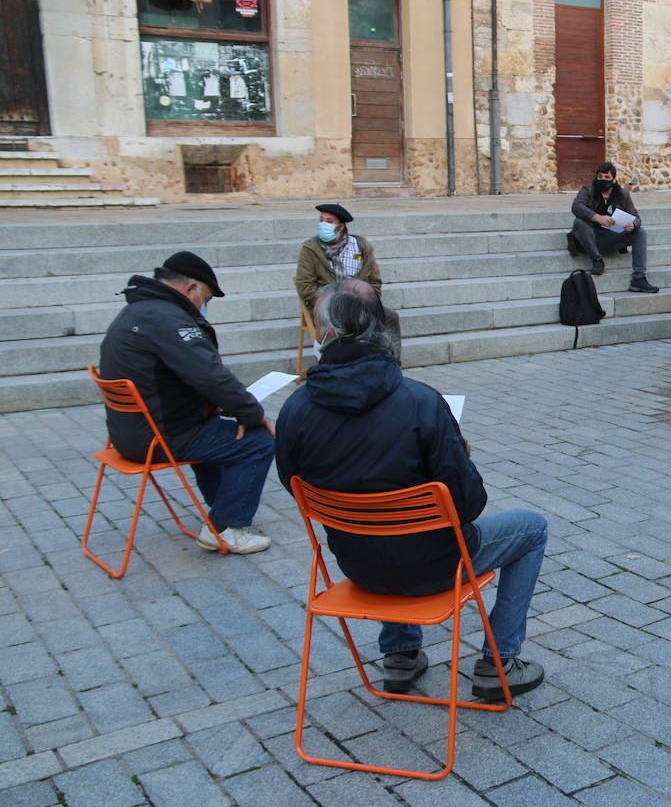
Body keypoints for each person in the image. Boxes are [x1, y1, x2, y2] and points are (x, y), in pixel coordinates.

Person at [274, 278, 547, 698]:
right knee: (532, 528)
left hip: (358, 564)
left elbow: (296, 488)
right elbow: (469, 504)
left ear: (324, 334)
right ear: (379, 329)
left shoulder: (295, 408)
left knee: (383, 518)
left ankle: (400, 655)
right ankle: (500, 662)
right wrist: (460, 455)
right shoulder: (420, 402)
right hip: (435, 568)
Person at [98, 251, 275, 554]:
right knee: (258, 440)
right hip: (159, 436)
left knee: (215, 429)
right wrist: (250, 413)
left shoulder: (137, 311)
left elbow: (180, 377)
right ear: (191, 288)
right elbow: (209, 375)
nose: (203, 307)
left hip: (127, 433)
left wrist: (222, 405)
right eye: (205, 299)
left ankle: (220, 508)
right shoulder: (167, 318)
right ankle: (224, 528)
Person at [296, 203, 402, 357]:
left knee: (390, 316)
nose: (323, 225)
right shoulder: (310, 248)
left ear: (341, 226)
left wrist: (365, 301)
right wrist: (331, 303)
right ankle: (339, 365)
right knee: (345, 325)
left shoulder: (361, 246)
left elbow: (375, 281)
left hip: (360, 304)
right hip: (330, 307)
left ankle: (392, 363)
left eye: (329, 221)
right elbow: (305, 286)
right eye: (321, 220)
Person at [570, 162, 659, 293]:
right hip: (590, 238)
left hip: (611, 238)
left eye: (607, 177)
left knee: (640, 232)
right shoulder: (588, 190)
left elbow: (636, 218)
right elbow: (576, 207)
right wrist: (597, 217)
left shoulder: (622, 194)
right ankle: (597, 260)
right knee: (578, 223)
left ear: (614, 179)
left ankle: (639, 279)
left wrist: (633, 225)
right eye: (600, 177)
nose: (603, 180)